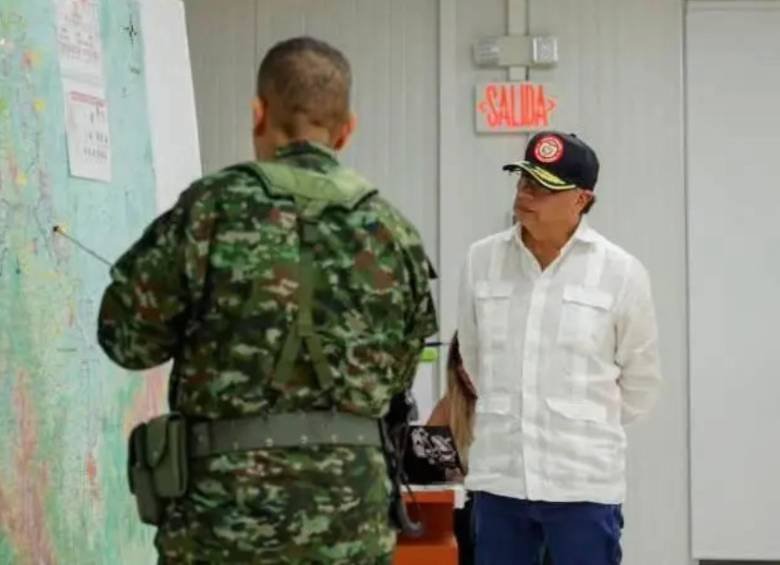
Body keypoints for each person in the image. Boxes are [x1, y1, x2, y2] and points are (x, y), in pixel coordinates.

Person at [97, 36, 437, 564]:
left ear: (258, 114)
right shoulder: (394, 233)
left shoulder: (211, 209)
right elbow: (398, 376)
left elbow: (127, 341)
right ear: (347, 130)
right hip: (350, 518)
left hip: (223, 519)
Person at [458, 131, 662, 565]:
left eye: (544, 187)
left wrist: (580, 422)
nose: (525, 193)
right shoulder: (481, 261)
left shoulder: (620, 273)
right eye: (522, 180)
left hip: (583, 486)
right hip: (500, 481)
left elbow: (641, 382)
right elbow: (474, 361)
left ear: (581, 200)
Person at [427, 332, 477, 565]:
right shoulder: (451, 405)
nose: (467, 374)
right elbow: (426, 461)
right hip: (466, 507)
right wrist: (449, 472)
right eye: (461, 366)